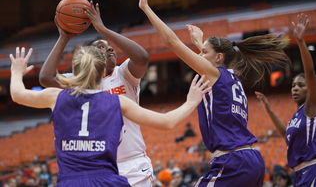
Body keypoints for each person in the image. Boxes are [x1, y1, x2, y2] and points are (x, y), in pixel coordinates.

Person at [136, 0, 290, 186]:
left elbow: (171, 42)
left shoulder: (215, 74)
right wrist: (202, 45)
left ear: (218, 58)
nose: (199, 55)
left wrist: (146, 8)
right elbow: (213, 60)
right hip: (251, 160)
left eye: (203, 52)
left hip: (233, 162)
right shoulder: (232, 77)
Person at [10, 46, 210, 187]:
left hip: (70, 180)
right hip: (106, 179)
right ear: (103, 72)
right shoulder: (117, 101)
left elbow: (17, 95)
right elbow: (168, 122)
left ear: (75, 71)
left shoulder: (56, 96)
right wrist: (192, 101)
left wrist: (17, 71)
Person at [39, 0, 152, 186]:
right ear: (91, 56)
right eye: (101, 46)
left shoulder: (123, 74)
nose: (109, 48)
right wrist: (64, 38)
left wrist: (104, 30)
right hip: (97, 168)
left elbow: (142, 58)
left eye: (109, 46)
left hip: (132, 164)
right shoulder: (79, 80)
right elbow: (46, 79)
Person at [256, 14, 316, 186]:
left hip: (314, 170)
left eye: (301, 85)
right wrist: (269, 110)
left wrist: (300, 41)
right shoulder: (297, 115)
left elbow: (311, 74)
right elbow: (287, 135)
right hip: (300, 174)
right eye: (293, 85)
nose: (295, 88)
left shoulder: (312, 106)